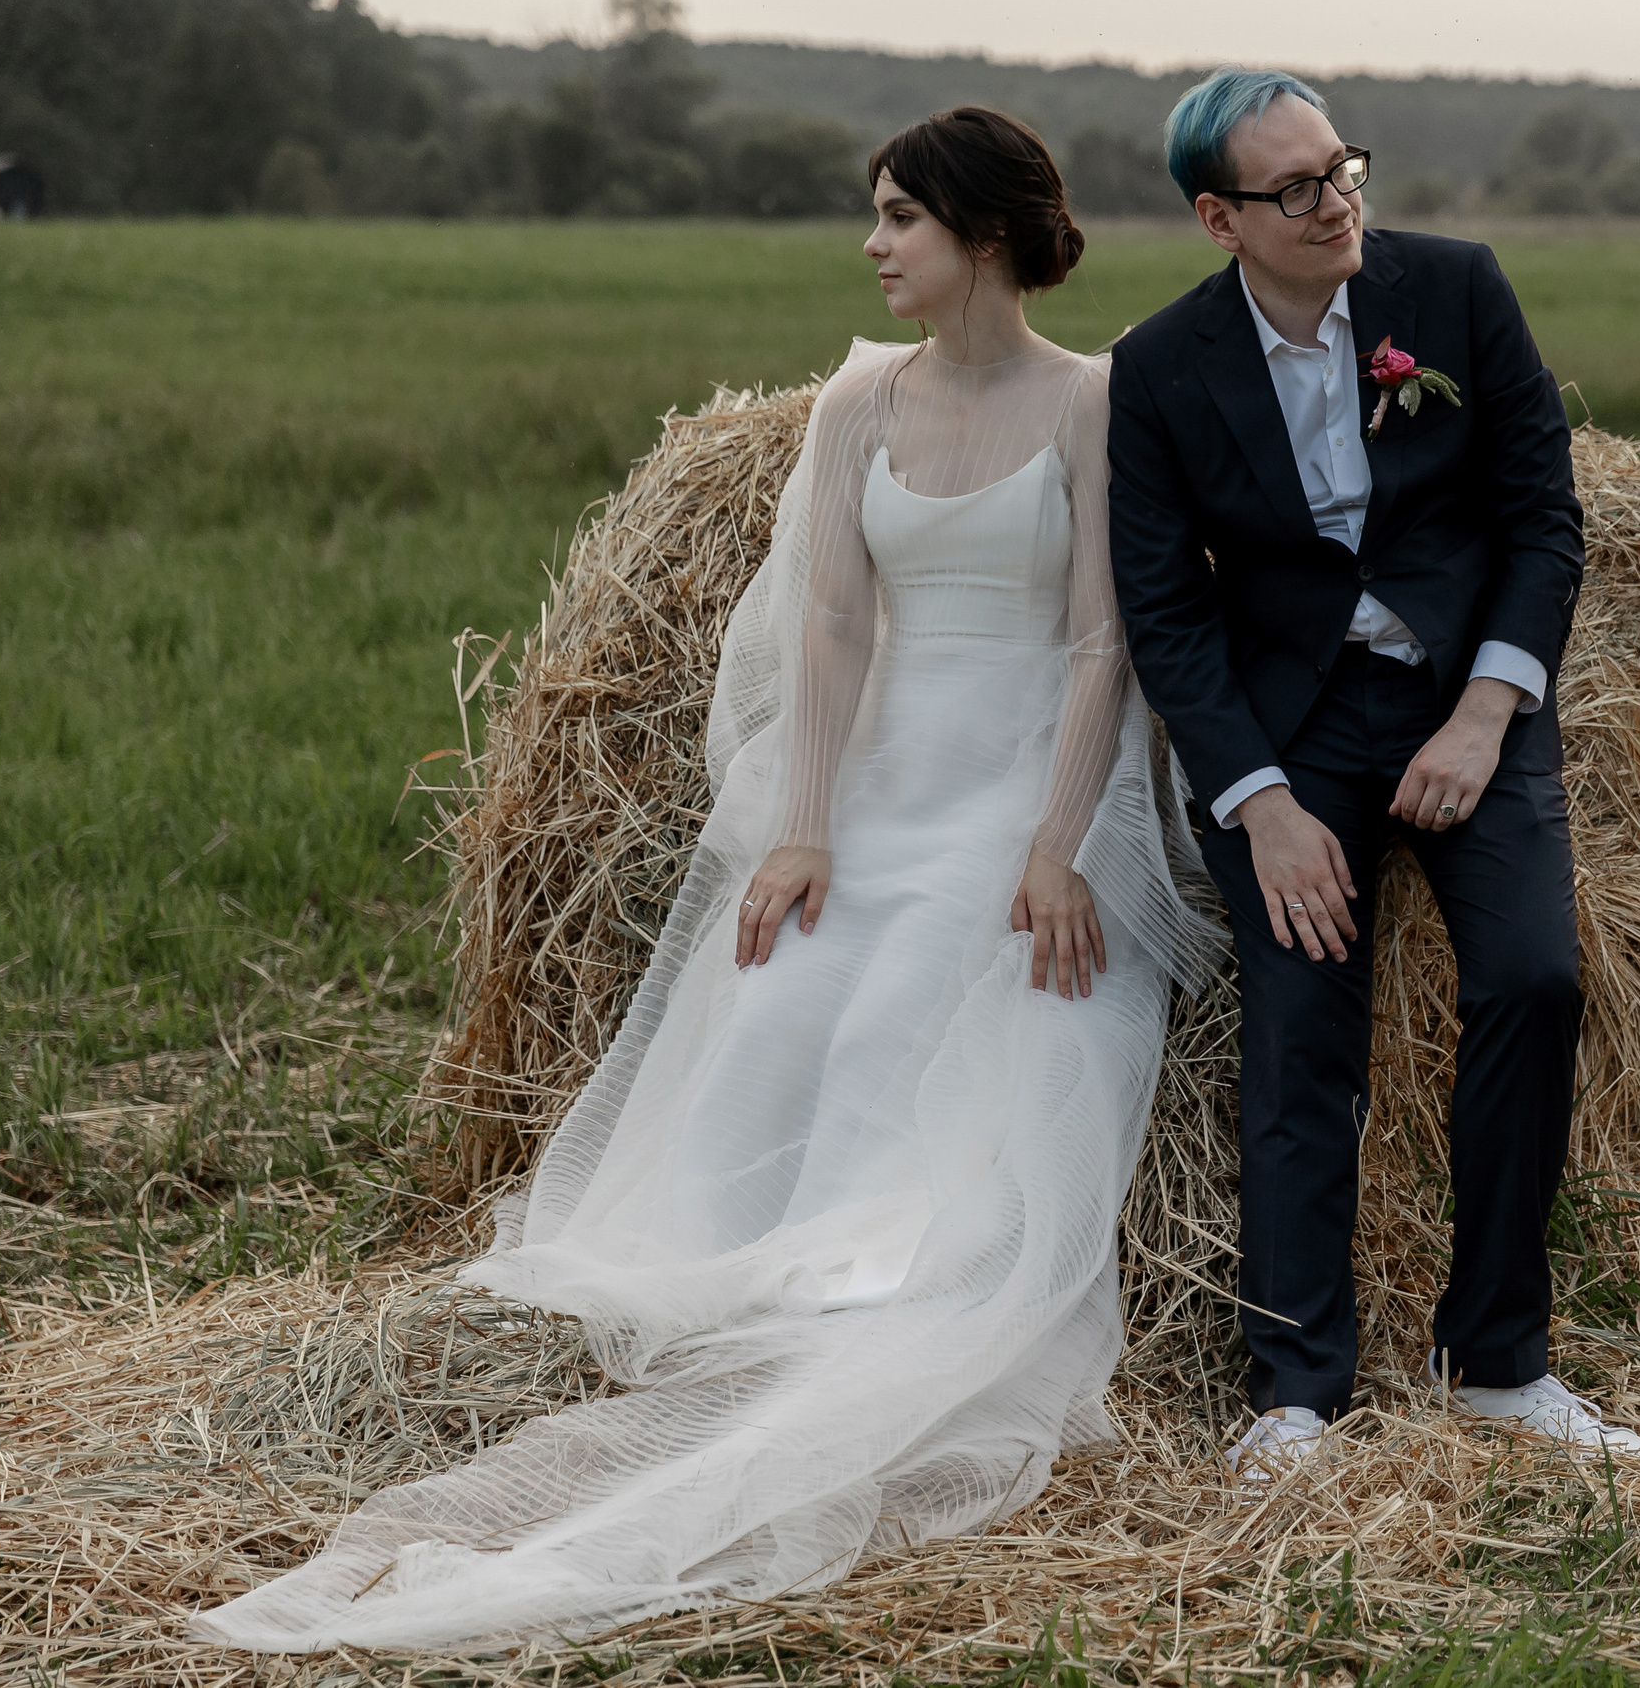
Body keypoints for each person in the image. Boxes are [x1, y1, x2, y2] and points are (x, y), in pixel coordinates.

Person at [191, 107, 1221, 1653]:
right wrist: (802, 822)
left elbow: (1103, 641)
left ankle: (854, 1307)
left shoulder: (1093, 404)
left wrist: (1057, 845)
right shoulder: (857, 403)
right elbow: (828, 629)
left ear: (984, 238)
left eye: (898, 219)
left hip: (1020, 782)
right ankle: (720, 1294)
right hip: (876, 781)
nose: (873, 245)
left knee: (912, 1022)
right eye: (873, 217)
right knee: (771, 1005)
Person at [1106, 70, 1640, 1483]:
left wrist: (1485, 715)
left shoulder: (1456, 290)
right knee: (1301, 1021)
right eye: (1295, 188)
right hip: (1293, 730)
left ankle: (1497, 1363)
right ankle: (1295, 1393)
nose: (1337, 199)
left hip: (1465, 698)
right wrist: (1263, 805)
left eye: (1342, 165)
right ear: (1218, 218)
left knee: (1535, 977)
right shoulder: (1162, 370)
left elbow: (1545, 520)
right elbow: (1164, 611)